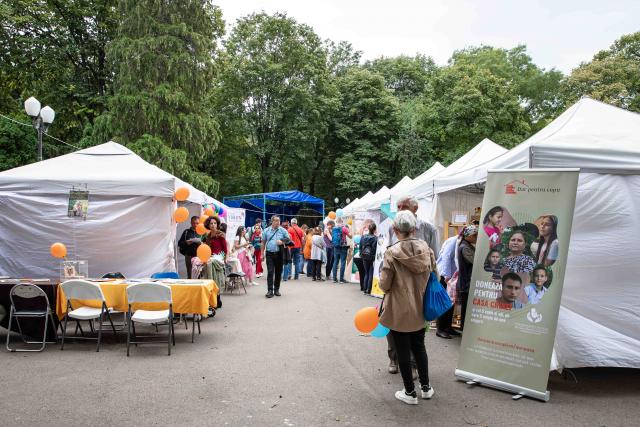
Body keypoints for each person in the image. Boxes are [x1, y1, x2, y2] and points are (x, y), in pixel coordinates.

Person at [379, 210, 437, 405]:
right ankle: (426, 387)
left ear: (395, 229)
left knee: (402, 350)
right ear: (414, 229)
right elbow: (434, 274)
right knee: (420, 347)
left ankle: (410, 392)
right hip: (421, 306)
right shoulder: (426, 249)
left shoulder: (392, 252)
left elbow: (384, 285)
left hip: (399, 309)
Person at [435, 235, 461, 339]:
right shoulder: (453, 241)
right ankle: (440, 329)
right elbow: (446, 257)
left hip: (453, 276)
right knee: (444, 302)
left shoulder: (460, 240)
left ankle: (448, 327)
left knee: (451, 302)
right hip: (447, 276)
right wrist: (447, 276)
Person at [261, 216, 289, 298]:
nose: (278, 222)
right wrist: (261, 254)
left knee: (278, 272)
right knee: (270, 272)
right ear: (272, 221)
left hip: (280, 254)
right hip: (269, 254)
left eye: (279, 220)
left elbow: (288, 239)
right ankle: (270, 290)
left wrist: (282, 241)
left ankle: (276, 289)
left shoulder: (283, 230)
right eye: (276, 220)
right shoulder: (266, 230)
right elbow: (263, 242)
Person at [457, 225, 477, 331]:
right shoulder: (465, 247)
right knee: (465, 308)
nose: (476, 237)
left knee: (466, 307)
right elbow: (475, 262)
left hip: (466, 282)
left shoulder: (467, 245)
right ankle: (464, 329)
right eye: (475, 235)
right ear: (468, 236)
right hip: (466, 283)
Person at [359, 222, 377, 294]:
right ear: (375, 229)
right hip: (372, 257)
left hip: (364, 256)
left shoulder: (363, 237)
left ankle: (365, 289)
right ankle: (369, 290)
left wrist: (361, 254)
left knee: (366, 273)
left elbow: (360, 246)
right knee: (370, 273)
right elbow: (375, 248)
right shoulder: (376, 238)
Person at [331, 217, 351, 283]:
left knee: (335, 262)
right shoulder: (344, 228)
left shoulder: (334, 229)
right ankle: (341, 279)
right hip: (343, 247)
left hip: (336, 247)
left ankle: (334, 279)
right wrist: (349, 230)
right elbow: (350, 236)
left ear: (336, 222)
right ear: (342, 222)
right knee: (342, 263)